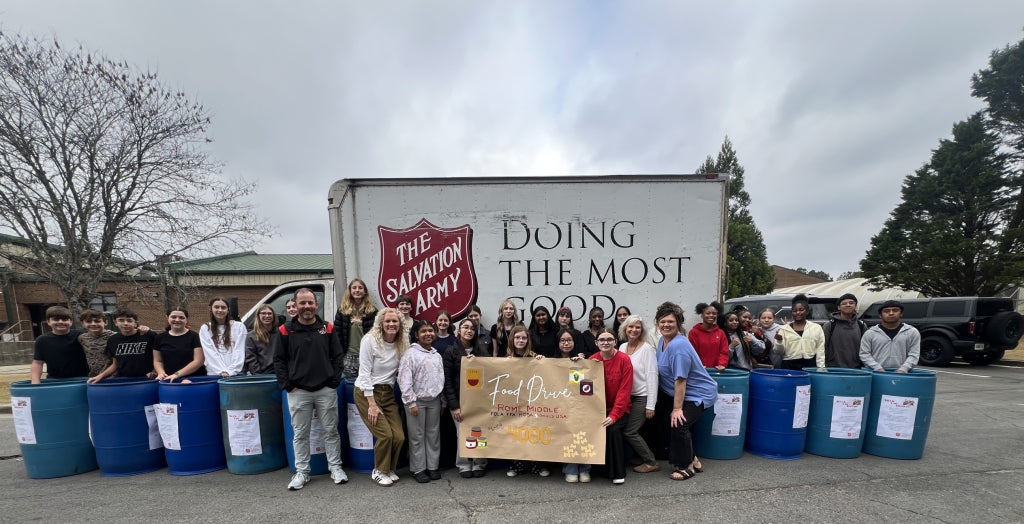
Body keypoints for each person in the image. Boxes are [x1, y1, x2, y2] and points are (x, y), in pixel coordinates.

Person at [272, 288, 348, 490]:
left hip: (325, 389)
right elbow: (278, 360)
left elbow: (337, 356)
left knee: (331, 431)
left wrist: (333, 381)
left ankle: (335, 468)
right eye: (302, 303)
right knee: (300, 434)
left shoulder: (327, 328)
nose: (307, 306)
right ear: (295, 305)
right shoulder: (285, 330)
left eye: (310, 303)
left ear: (316, 304)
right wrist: (288, 385)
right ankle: (302, 472)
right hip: (298, 391)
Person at [654, 302, 718, 481]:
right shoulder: (662, 341)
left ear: (679, 323)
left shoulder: (678, 346)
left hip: (698, 393)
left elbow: (681, 380)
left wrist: (677, 409)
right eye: (662, 321)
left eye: (670, 321)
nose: (666, 325)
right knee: (665, 420)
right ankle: (693, 458)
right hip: (679, 392)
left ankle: (686, 466)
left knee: (679, 423)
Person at [354, 308, 407, 487]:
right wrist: (371, 404)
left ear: (400, 324)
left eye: (395, 321)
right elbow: (364, 373)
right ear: (381, 324)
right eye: (387, 321)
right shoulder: (370, 340)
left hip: (388, 392)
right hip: (367, 392)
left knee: (398, 436)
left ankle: (389, 469)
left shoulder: (402, 342)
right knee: (385, 435)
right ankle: (378, 470)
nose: (391, 324)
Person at [443, 318, 491, 478]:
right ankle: (464, 464)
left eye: (472, 328)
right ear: (459, 330)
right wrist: (454, 406)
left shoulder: (482, 351)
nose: (469, 331)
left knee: (479, 432)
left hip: (479, 402)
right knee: (462, 433)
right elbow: (448, 381)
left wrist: (477, 362)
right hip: (459, 401)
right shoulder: (451, 351)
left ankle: (480, 463)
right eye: (465, 327)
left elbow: (490, 373)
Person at [398, 321, 445, 483]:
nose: (428, 334)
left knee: (433, 434)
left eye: (430, 330)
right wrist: (411, 402)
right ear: (416, 334)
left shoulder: (436, 355)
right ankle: (418, 469)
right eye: (423, 331)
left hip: (434, 400)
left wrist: (442, 401)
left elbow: (441, 378)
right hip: (416, 401)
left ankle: (432, 467)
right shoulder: (410, 354)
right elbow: (404, 379)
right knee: (417, 435)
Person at [505, 325, 549, 478]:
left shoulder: (535, 357)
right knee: (515, 433)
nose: (521, 340)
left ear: (528, 340)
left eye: (524, 338)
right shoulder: (505, 359)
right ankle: (516, 466)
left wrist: (543, 362)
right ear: (512, 339)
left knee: (534, 432)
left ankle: (538, 465)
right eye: (517, 337)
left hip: (533, 402)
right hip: (514, 402)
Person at [591, 328, 633, 484]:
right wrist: (579, 364)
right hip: (598, 409)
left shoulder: (624, 360)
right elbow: (581, 385)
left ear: (615, 342)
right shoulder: (592, 360)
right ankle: (595, 469)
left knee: (613, 430)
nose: (605, 342)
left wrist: (614, 415)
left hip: (620, 409)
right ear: (596, 343)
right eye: (602, 340)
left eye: (609, 339)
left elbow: (624, 392)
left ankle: (617, 472)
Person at [618, 314, 659, 473]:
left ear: (641, 331)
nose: (634, 330)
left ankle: (651, 462)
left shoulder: (647, 349)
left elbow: (652, 376)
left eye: (637, 327)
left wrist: (651, 405)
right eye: (631, 326)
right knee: (628, 429)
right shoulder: (622, 347)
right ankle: (639, 456)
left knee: (630, 431)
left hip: (642, 397)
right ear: (625, 329)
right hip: (626, 396)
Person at [88, 308, 157, 382]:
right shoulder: (113, 340)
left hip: (147, 379)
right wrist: (100, 376)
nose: (125, 323)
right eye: (121, 320)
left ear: (135, 323)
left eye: (129, 320)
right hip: (124, 379)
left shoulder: (148, 335)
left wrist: (154, 371)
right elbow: (115, 364)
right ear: (115, 322)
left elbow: (159, 358)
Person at [334, 278, 379, 378]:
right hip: (349, 356)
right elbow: (337, 334)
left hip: (367, 355)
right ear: (350, 291)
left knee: (368, 382)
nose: (357, 290)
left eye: (360, 288)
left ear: (365, 291)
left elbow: (378, 335)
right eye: (354, 288)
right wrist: (340, 355)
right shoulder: (342, 310)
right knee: (350, 383)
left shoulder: (372, 311)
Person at [860, 300, 921, 373]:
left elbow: (914, 355)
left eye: (895, 310)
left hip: (903, 375)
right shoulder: (870, 333)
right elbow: (864, 354)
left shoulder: (911, 332)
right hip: (876, 373)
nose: (891, 313)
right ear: (880, 315)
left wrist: (903, 369)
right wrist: (878, 368)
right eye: (886, 311)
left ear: (901, 313)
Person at [30, 306, 88, 383]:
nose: (60, 322)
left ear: (71, 322)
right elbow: (38, 363)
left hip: (83, 380)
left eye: (65, 319)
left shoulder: (83, 336)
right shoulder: (42, 340)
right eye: (56, 319)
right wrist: (35, 383)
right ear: (48, 322)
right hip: (55, 381)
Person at [773, 294, 825, 370]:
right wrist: (779, 341)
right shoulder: (784, 329)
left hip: (810, 365)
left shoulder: (816, 328)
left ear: (807, 311)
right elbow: (779, 352)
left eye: (801, 310)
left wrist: (821, 368)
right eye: (794, 311)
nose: (797, 312)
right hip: (789, 366)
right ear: (791, 312)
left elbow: (820, 350)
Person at [199, 297, 247, 377]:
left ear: (228, 310)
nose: (220, 310)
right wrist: (221, 371)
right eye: (216, 307)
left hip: (236, 374)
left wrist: (230, 371)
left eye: (223, 307)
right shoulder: (205, 328)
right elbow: (209, 352)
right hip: (214, 373)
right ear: (211, 309)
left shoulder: (239, 327)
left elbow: (239, 351)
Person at [154, 308, 206, 381]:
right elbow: (158, 360)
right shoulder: (159, 338)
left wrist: (177, 374)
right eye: (173, 317)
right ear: (167, 318)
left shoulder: (195, 337)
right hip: (169, 380)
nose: (177, 320)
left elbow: (198, 361)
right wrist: (161, 373)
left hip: (193, 379)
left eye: (181, 317)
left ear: (186, 320)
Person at [824, 293, 868, 368]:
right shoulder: (830, 325)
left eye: (851, 303)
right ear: (839, 307)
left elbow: (866, 348)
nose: (848, 305)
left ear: (855, 306)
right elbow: (823, 347)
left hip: (856, 369)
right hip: (834, 369)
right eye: (844, 303)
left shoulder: (861, 325)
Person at [688, 302, 729, 371]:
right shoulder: (694, 332)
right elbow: (692, 352)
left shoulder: (720, 333)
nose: (711, 315)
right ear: (702, 315)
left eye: (714, 313)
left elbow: (724, 351)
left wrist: (721, 364)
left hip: (716, 371)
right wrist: (698, 365)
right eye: (708, 313)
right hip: (700, 370)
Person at [77, 309, 114, 378]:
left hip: (113, 376)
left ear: (105, 322)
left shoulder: (114, 337)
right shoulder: (82, 338)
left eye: (97, 321)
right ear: (82, 324)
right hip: (93, 376)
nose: (93, 324)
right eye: (88, 321)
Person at [245, 304, 278, 374]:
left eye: (270, 313)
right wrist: (258, 376)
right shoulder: (251, 336)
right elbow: (251, 359)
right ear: (258, 316)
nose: (267, 316)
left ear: (274, 316)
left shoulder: (280, 334)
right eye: (263, 313)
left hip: (280, 374)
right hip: (262, 375)